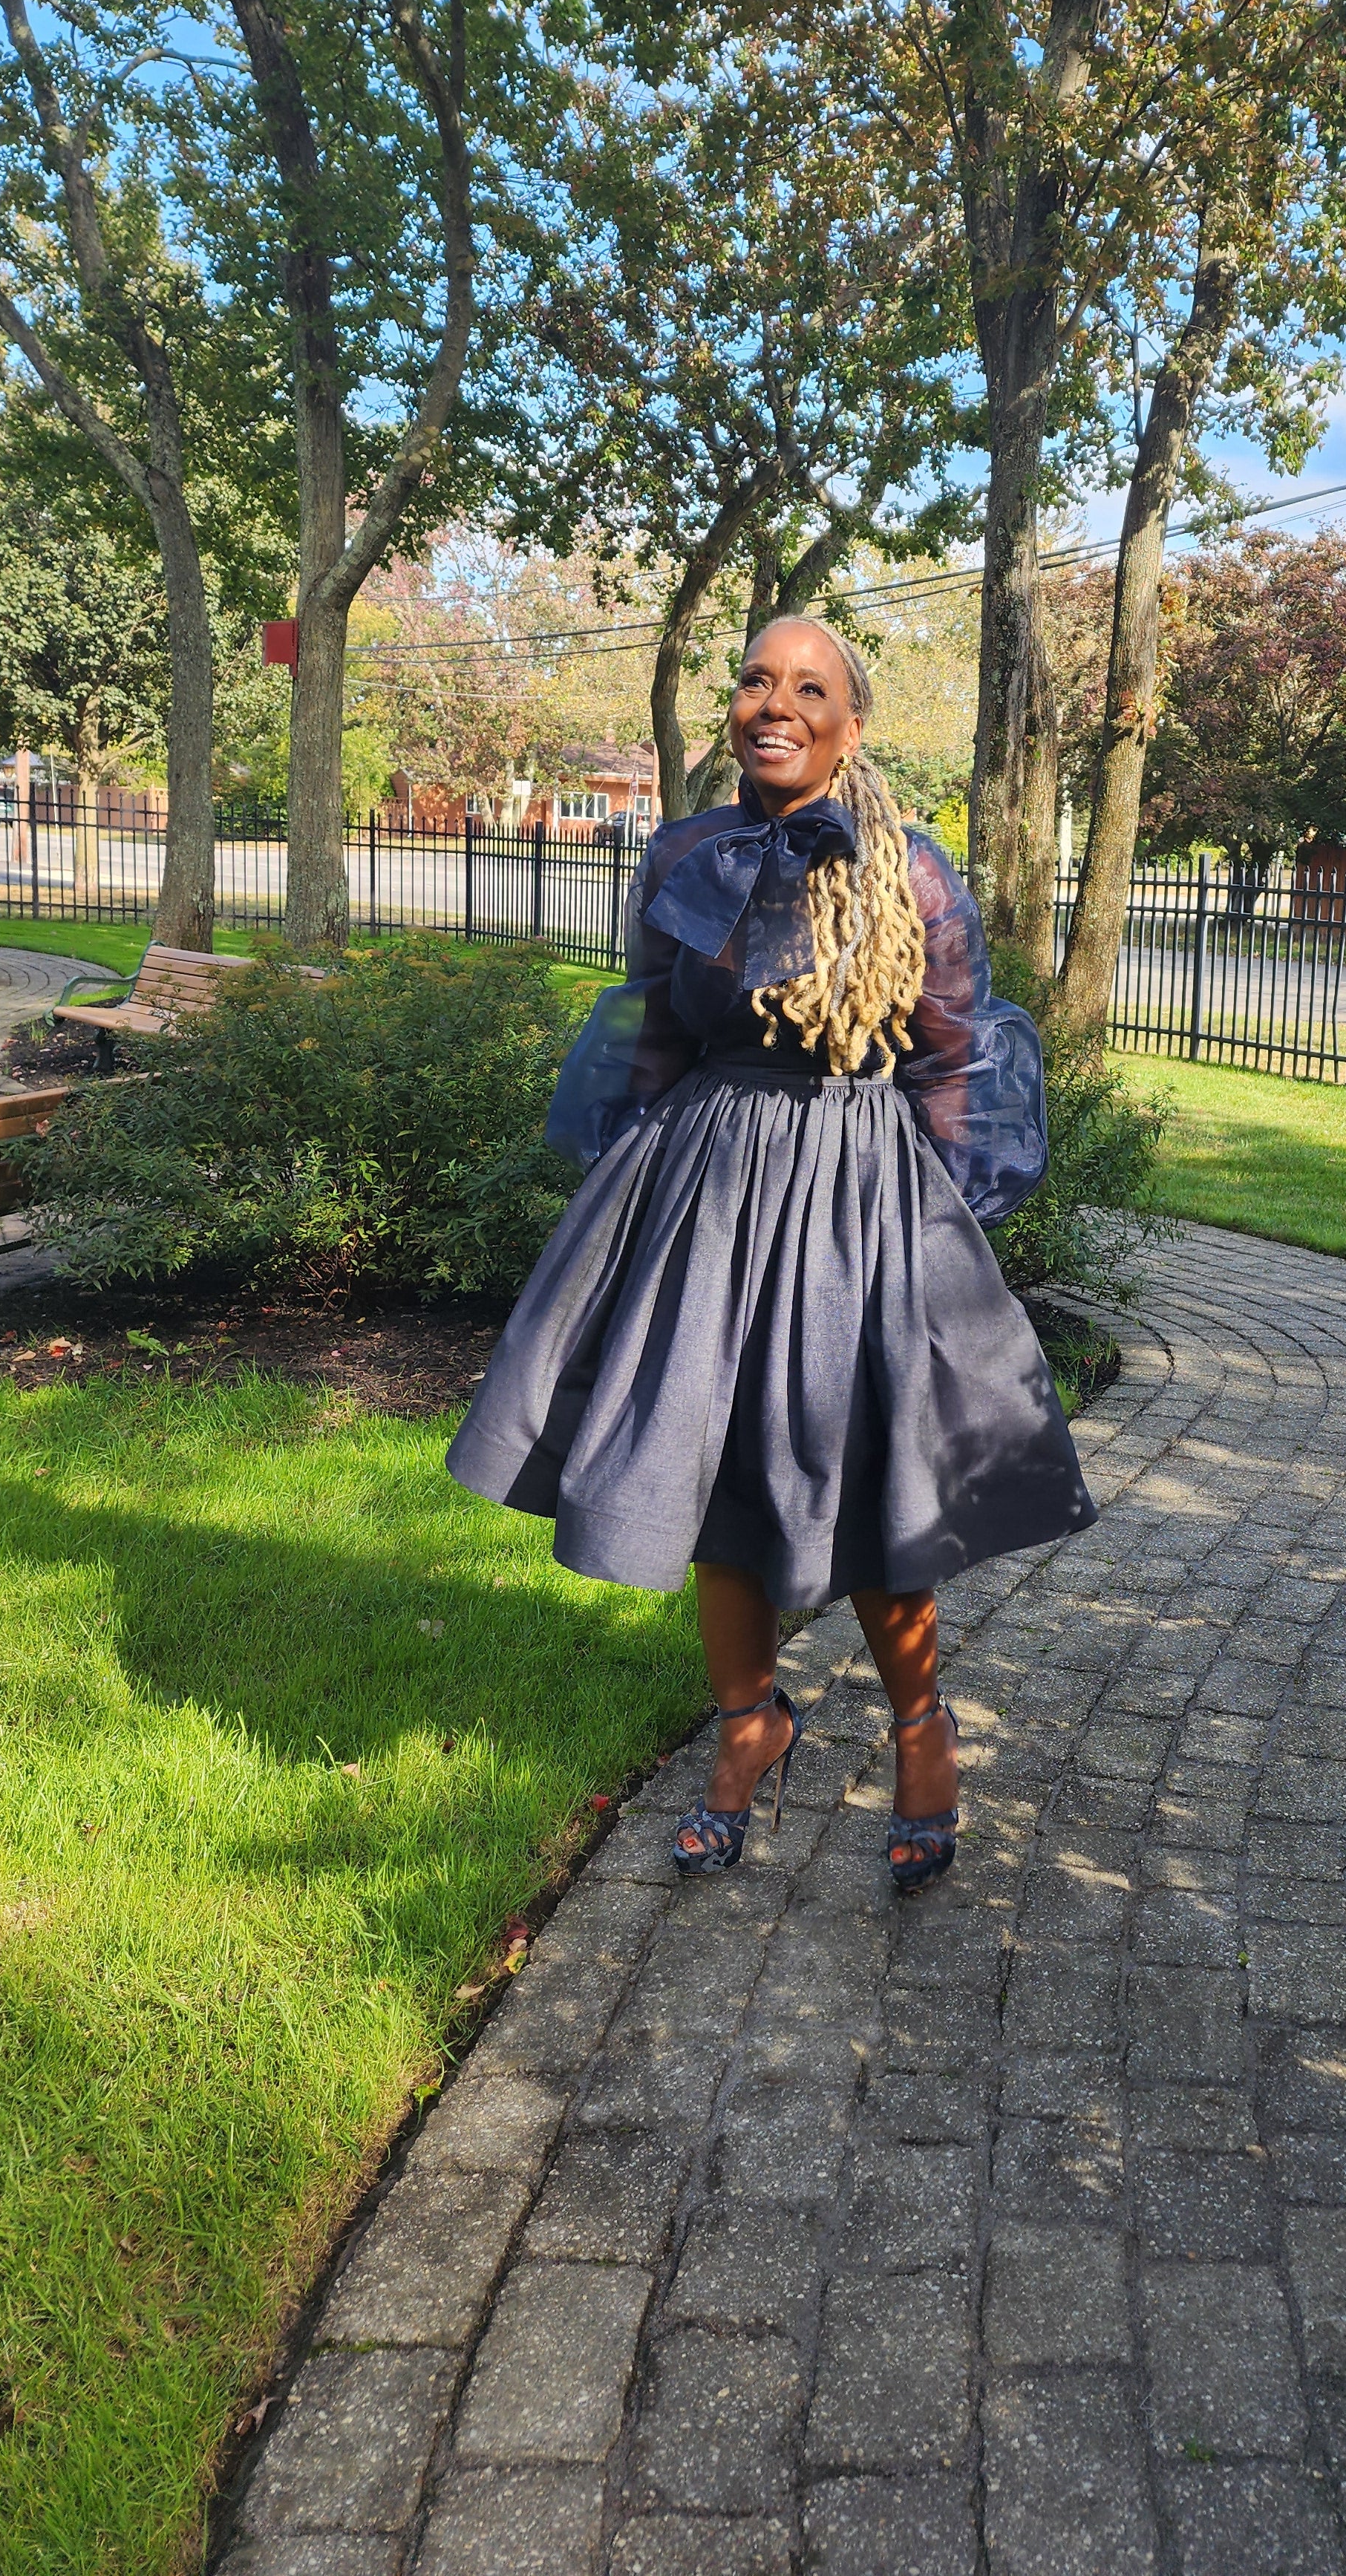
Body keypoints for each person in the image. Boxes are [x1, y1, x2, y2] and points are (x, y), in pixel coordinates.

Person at [448, 615, 1096, 1889]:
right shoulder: (685, 851)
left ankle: (922, 1731)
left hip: (855, 1198)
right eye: (756, 679)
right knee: (709, 1472)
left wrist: (935, 1241)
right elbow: (652, 1027)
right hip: (701, 1188)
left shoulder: (910, 871)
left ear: (851, 727)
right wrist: (625, 1208)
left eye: (810, 687)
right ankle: (751, 1723)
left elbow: (956, 1056)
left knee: (866, 1488)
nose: (774, 703)